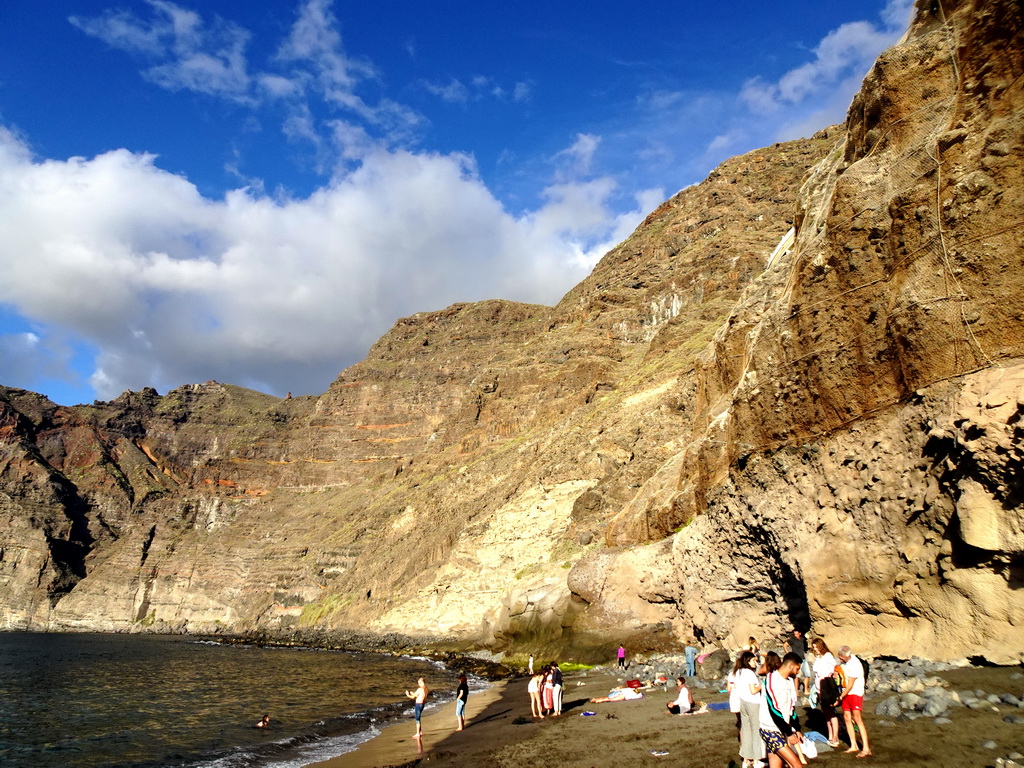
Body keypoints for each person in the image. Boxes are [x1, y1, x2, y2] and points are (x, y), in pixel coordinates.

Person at [759, 652, 804, 768]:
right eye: (797, 669)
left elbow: (791, 709)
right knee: (797, 765)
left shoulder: (789, 681)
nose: (798, 672)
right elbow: (774, 710)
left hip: (780, 728)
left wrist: (797, 729)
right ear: (790, 666)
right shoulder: (771, 679)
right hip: (769, 729)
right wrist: (789, 733)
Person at [837, 646, 872, 757]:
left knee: (857, 718)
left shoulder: (855, 664)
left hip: (855, 693)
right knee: (847, 718)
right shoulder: (844, 663)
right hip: (846, 692)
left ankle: (866, 748)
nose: (840, 659)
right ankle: (853, 745)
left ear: (846, 656)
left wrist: (840, 697)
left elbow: (850, 684)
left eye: (841, 658)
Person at [734, 651, 766, 768]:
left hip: (743, 702)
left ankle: (746, 759)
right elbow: (753, 690)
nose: (756, 663)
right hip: (753, 703)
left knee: (746, 730)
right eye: (754, 660)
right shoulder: (750, 674)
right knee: (756, 731)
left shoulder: (738, 672)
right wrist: (762, 685)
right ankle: (757, 760)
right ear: (748, 661)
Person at [811, 638, 841, 747]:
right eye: (814, 648)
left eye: (817, 647)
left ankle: (835, 737)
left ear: (821, 646)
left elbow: (833, 669)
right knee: (826, 713)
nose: (816, 650)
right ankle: (830, 735)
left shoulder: (828, 656)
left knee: (830, 712)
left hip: (826, 685)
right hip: (819, 686)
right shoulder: (819, 657)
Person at [785, 630, 810, 696]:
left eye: (796, 634)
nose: (795, 635)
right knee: (797, 675)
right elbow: (785, 645)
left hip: (803, 658)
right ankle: (796, 691)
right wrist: (788, 653)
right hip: (796, 659)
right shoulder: (792, 639)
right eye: (794, 634)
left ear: (800, 633)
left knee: (807, 674)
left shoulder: (802, 639)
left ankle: (806, 689)